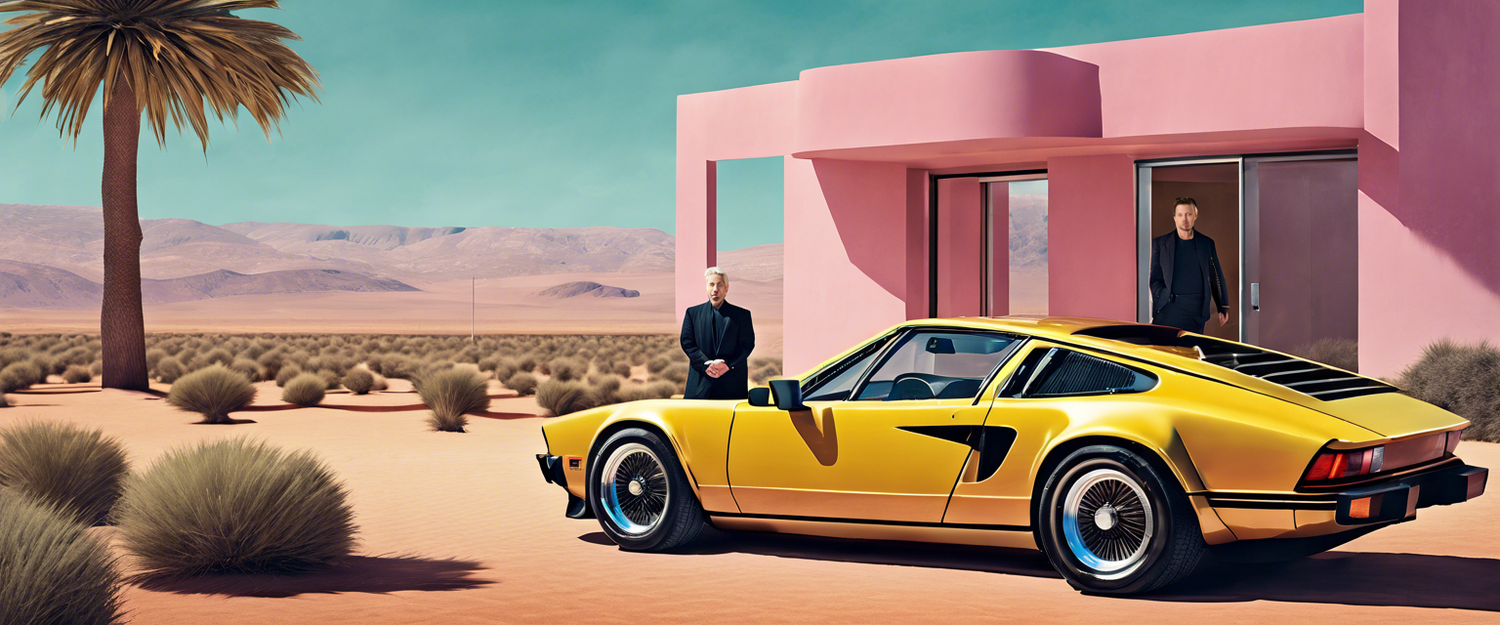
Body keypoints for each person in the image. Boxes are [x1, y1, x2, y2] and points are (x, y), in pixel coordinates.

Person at [1149, 197, 1229, 333]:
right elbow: (1154, 277)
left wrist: (1223, 305)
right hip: (1168, 308)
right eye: (1180, 215)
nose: (1184, 219)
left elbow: (1216, 275)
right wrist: (1160, 295)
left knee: (1192, 351)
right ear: (1174, 217)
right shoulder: (1161, 243)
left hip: (1195, 310)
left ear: (1195, 215)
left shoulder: (1206, 243)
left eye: (1188, 214)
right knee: (1166, 351)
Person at [680, 267, 755, 399]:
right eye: (711, 284)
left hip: (731, 387)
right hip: (700, 386)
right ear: (706, 287)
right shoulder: (692, 313)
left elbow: (747, 345)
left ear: (727, 288)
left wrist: (728, 365)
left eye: (720, 284)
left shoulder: (742, 315)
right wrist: (706, 365)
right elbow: (687, 343)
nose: (715, 289)